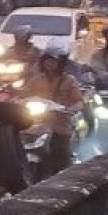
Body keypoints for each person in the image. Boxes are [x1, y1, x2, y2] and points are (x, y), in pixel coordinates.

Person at [22, 41, 84, 174]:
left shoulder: (69, 81)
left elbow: (79, 102)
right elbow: (23, 96)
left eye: (54, 61)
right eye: (48, 60)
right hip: (36, 126)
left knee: (63, 159)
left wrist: (70, 110)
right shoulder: (36, 80)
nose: (50, 64)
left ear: (61, 63)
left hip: (60, 126)